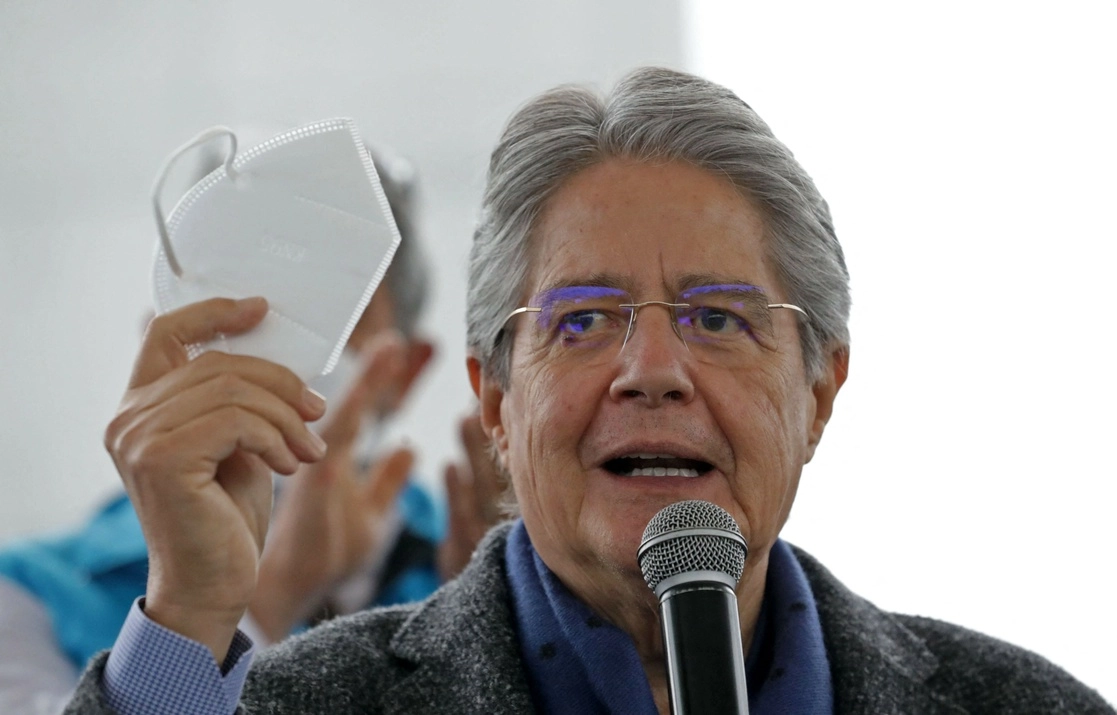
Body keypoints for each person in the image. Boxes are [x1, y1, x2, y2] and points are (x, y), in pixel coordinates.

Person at [64, 67, 1112, 714]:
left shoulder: (1025, 704)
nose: (650, 371)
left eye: (716, 317)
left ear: (820, 389)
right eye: (582, 320)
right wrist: (193, 609)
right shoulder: (299, 706)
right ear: (494, 404)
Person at [0, 148, 502, 714]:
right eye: (238, 306)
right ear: (161, 356)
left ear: (407, 372)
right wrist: (214, 605)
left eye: (328, 317)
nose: (273, 345)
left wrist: (500, 634)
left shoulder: (476, 572)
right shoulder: (25, 596)